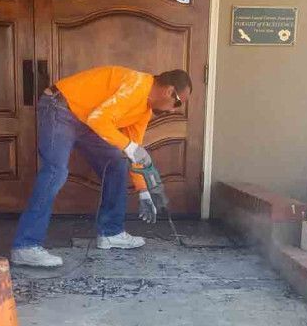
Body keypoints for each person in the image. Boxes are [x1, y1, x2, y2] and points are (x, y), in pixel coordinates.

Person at [11, 65, 192, 267]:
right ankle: (25, 246)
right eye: (177, 103)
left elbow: (134, 152)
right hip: (61, 107)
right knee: (56, 172)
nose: (173, 110)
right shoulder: (137, 85)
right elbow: (100, 120)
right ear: (169, 91)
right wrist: (129, 146)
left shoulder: (145, 110)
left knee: (116, 162)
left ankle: (111, 232)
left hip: (86, 119)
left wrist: (143, 191)